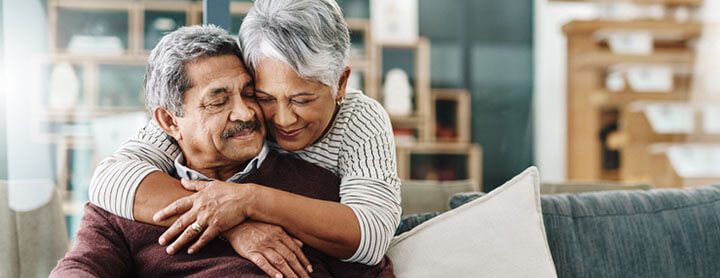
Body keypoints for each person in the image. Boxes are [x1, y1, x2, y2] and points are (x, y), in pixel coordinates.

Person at [51, 25, 393, 278]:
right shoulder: (128, 200)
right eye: (218, 101)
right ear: (170, 121)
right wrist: (233, 226)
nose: (245, 113)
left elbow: (371, 267)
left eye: (250, 94)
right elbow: (80, 268)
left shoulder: (316, 192)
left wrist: (247, 204)